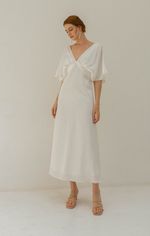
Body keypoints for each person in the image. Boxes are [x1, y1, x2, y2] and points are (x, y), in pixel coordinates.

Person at [49, 15, 109, 216]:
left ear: (81, 27)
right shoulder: (67, 51)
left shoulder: (96, 48)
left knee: (87, 144)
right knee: (67, 143)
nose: (69, 34)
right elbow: (63, 79)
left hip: (84, 102)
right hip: (66, 103)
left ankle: (95, 190)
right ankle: (72, 188)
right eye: (66, 31)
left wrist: (97, 104)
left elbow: (98, 79)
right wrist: (57, 100)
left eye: (71, 29)